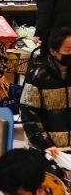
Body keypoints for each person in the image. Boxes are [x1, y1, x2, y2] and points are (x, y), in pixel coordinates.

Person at [21, 28, 71, 156]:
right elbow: (29, 114)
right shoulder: (37, 77)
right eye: (68, 50)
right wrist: (44, 144)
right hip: (51, 151)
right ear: (53, 51)